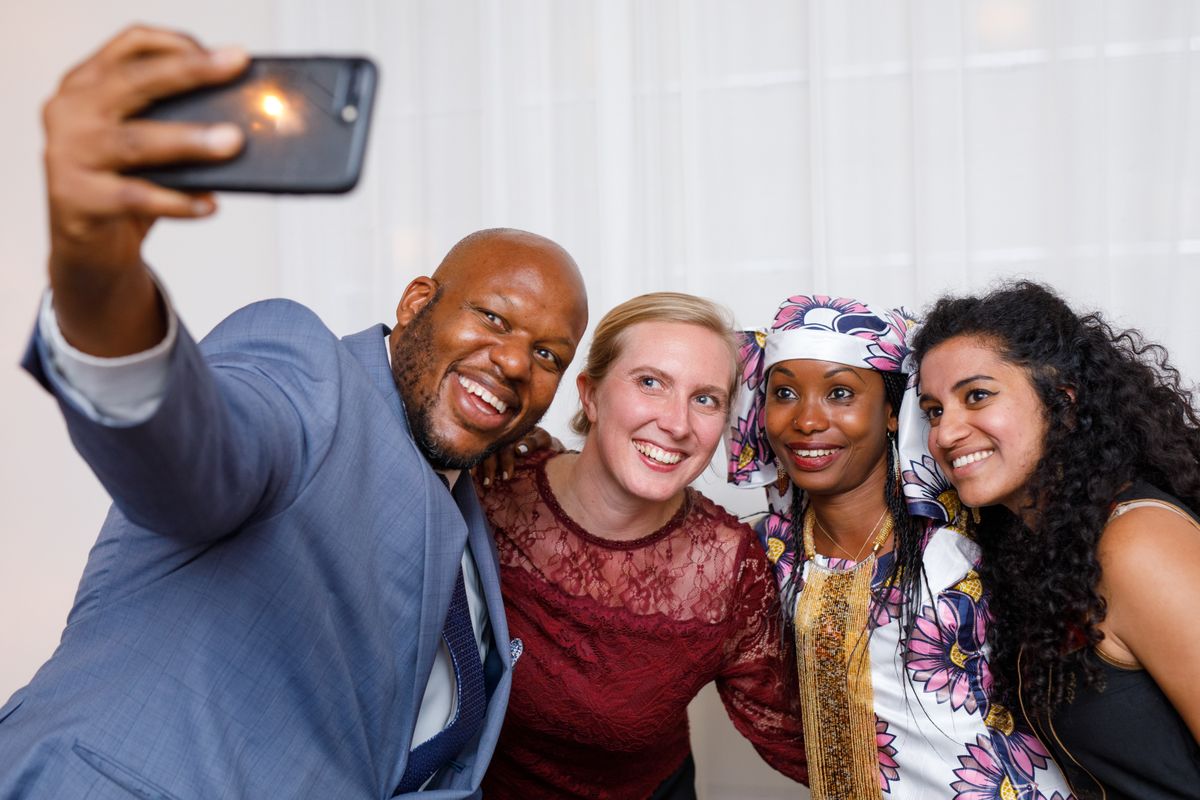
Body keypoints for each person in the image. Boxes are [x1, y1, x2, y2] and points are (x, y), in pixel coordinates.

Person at [0, 27, 589, 800]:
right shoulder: (309, 375)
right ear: (417, 304)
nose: (516, 362)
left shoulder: (469, 520)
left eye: (548, 355)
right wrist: (95, 266)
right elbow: (188, 449)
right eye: (495, 319)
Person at [727, 294, 1075, 799]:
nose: (805, 421)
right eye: (783, 394)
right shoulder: (763, 554)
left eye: (840, 393)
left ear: (893, 412)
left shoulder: (972, 531)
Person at [474, 292, 807, 799]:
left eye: (706, 399)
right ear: (589, 395)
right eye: (650, 382)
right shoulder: (488, 490)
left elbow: (800, 741)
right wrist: (481, 442)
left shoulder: (730, 568)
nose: (676, 423)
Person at [913, 281, 1200, 799]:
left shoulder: (1137, 543)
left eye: (977, 395)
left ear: (1063, 402)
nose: (946, 433)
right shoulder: (1045, 547)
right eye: (933, 410)